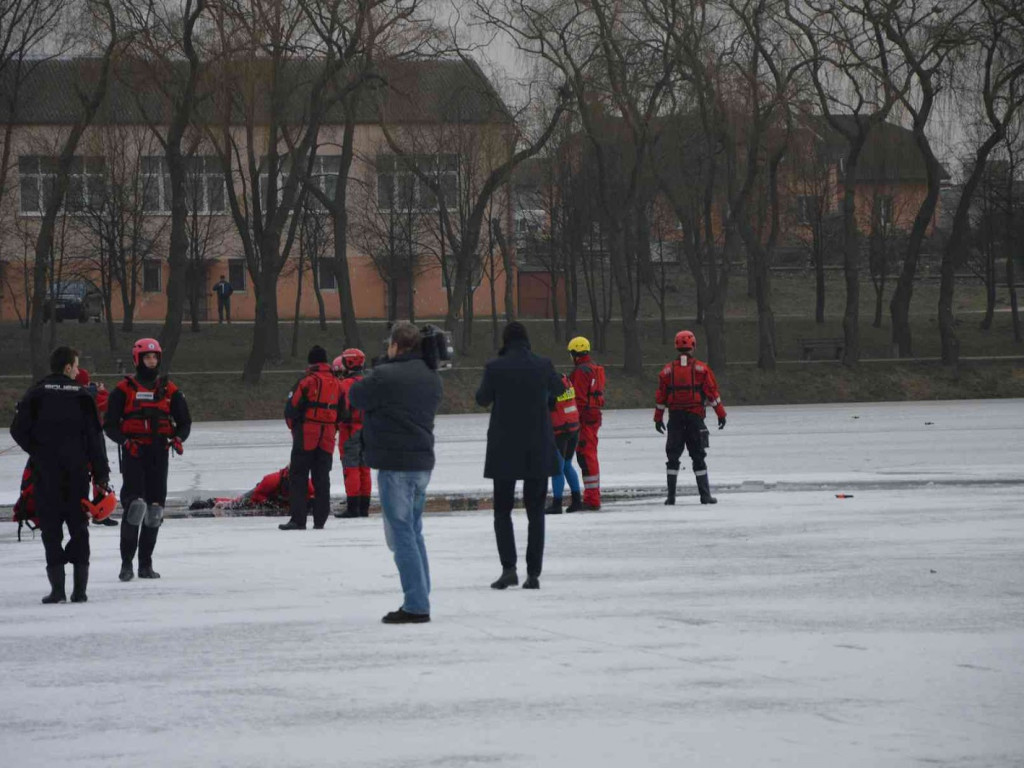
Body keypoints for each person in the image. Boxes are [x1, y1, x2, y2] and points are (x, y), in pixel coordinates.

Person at [349, 322, 443, 624]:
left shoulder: (386, 375)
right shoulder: (431, 376)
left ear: (394, 345)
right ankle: (421, 595)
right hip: (421, 463)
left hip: (395, 465)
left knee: (402, 535)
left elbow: (356, 396)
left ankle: (416, 604)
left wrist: (381, 367)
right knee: (413, 532)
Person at [10, 347, 111, 604]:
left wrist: (37, 450)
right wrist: (101, 474)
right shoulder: (82, 395)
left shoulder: (36, 393)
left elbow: (17, 430)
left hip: (46, 473)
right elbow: (95, 439)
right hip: (77, 473)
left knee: (51, 530)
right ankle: (80, 590)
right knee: (79, 528)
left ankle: (57, 591)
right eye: (76, 366)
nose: (77, 371)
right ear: (67, 367)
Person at [476, 322, 564, 590]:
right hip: (537, 445)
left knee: (502, 511)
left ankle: (509, 569)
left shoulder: (495, 367)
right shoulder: (543, 364)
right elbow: (561, 390)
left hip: (504, 447)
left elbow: (482, 398)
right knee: (536, 512)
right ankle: (533, 573)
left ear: (505, 340)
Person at [104, 338, 192, 581]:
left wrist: (178, 438)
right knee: (135, 508)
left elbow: (185, 422)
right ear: (137, 359)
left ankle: (146, 564)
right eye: (147, 357)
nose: (151, 361)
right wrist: (125, 442)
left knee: (154, 510)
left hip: (158, 453)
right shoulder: (123, 390)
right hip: (134, 453)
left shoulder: (170, 390)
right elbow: (109, 425)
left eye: (155, 357)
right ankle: (126, 565)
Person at [12, 367, 118, 532]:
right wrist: (101, 391)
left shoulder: (80, 396)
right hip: (84, 443)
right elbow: (105, 403)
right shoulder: (83, 396)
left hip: (82, 441)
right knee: (91, 474)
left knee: (94, 473)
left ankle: (88, 507)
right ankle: (86, 511)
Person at [654, 330, 727, 505]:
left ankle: (671, 497)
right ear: (693, 346)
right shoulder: (702, 369)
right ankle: (705, 496)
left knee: (672, 457)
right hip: (695, 418)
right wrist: (721, 414)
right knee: (698, 456)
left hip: (675, 419)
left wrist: (658, 418)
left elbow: (661, 397)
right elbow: (712, 394)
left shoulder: (666, 371)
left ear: (676, 346)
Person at [280, 345, 343, 530]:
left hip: (306, 434)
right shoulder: (337, 383)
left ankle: (298, 520)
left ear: (310, 362)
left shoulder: (306, 381)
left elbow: (291, 408)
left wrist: (295, 429)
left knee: (298, 476)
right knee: (322, 477)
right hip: (327, 437)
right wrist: (332, 428)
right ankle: (320, 520)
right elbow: (343, 412)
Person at [567, 336, 605, 510]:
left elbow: (579, 400)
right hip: (594, 416)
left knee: (586, 455)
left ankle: (592, 499)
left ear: (575, 353)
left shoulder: (581, 372)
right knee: (589, 455)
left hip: (584, 420)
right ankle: (592, 496)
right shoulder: (594, 368)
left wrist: (573, 421)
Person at [333, 349, 372, 518]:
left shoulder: (345, 384)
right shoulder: (369, 382)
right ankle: (364, 507)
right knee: (365, 468)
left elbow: (342, 410)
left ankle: (353, 507)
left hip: (350, 431)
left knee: (351, 468)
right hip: (368, 430)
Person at [189, 465, 314, 511]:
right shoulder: (271, 480)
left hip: (278, 499)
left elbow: (313, 497)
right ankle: (211, 502)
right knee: (237, 504)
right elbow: (257, 495)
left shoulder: (307, 484)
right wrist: (270, 504)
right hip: (261, 494)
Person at [545, 372, 583, 515]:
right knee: (567, 465)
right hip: (573, 427)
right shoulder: (565, 380)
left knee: (557, 468)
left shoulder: (548, 384)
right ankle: (577, 501)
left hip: (560, 431)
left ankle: (557, 504)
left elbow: (542, 404)